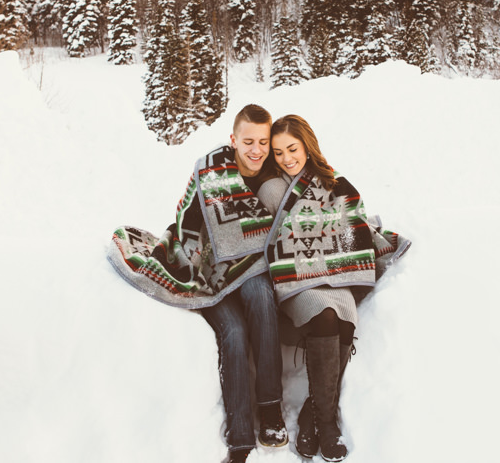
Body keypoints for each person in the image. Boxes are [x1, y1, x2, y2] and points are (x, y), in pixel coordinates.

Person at [108, 104, 290, 463]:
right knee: (234, 332)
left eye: (263, 142)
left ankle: (270, 409)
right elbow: (185, 222)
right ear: (233, 140)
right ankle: (240, 440)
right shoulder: (211, 170)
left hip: (252, 270)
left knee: (261, 296)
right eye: (248, 141)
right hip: (205, 273)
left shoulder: (274, 176)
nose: (257, 150)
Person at [265, 114, 411, 462]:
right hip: (296, 281)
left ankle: (311, 415)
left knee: (345, 318)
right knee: (326, 315)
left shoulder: (332, 182)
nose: (287, 158)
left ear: (307, 146)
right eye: (278, 152)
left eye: (292, 148)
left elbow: (347, 225)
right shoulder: (270, 188)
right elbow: (270, 237)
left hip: (336, 275)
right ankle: (327, 423)